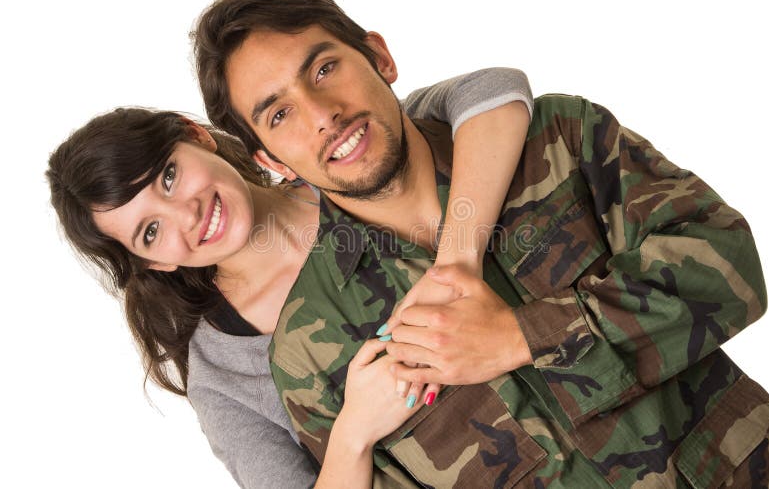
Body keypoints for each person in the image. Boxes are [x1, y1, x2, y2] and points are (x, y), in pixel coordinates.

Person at [193, 0, 769, 487]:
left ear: (380, 57)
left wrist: (518, 336)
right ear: (270, 160)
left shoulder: (556, 141)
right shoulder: (310, 348)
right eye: (279, 114)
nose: (321, 112)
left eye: (325, 68)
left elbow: (730, 264)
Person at [46, 69, 535, 488]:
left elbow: (494, 89)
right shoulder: (223, 375)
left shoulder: (344, 165)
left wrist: (456, 260)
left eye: (168, 178)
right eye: (151, 232)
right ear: (153, 263)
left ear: (195, 134)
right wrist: (353, 432)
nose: (187, 214)